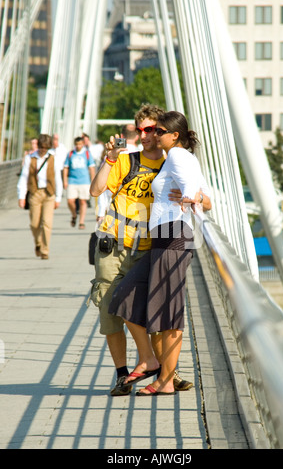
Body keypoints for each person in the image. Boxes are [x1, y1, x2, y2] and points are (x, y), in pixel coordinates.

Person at [89, 104, 211, 396]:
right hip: (116, 243)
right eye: (141, 129)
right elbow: (96, 191)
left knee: (157, 311)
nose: (146, 135)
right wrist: (110, 158)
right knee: (114, 306)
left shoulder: (175, 159)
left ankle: (165, 373)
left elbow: (203, 198)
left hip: (157, 243)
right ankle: (132, 371)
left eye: (152, 129)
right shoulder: (127, 160)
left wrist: (192, 197)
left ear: (164, 133)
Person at [17, 134, 63, 260]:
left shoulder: (54, 158)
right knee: (34, 224)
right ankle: (38, 243)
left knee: (47, 223)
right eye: (42, 147)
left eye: (46, 148)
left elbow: (58, 178)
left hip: (49, 194)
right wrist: (21, 196)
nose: (43, 150)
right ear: (38, 146)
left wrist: (58, 197)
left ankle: (45, 250)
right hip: (34, 193)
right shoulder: (29, 158)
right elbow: (24, 177)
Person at [63, 136, 96, 229]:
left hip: (84, 181)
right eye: (77, 144)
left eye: (80, 144)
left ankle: (81, 222)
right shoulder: (70, 154)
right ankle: (74, 214)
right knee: (70, 200)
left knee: (82, 201)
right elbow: (66, 167)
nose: (78, 146)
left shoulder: (87, 154)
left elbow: (91, 168)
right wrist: (65, 180)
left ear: (83, 144)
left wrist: (93, 181)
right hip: (72, 180)